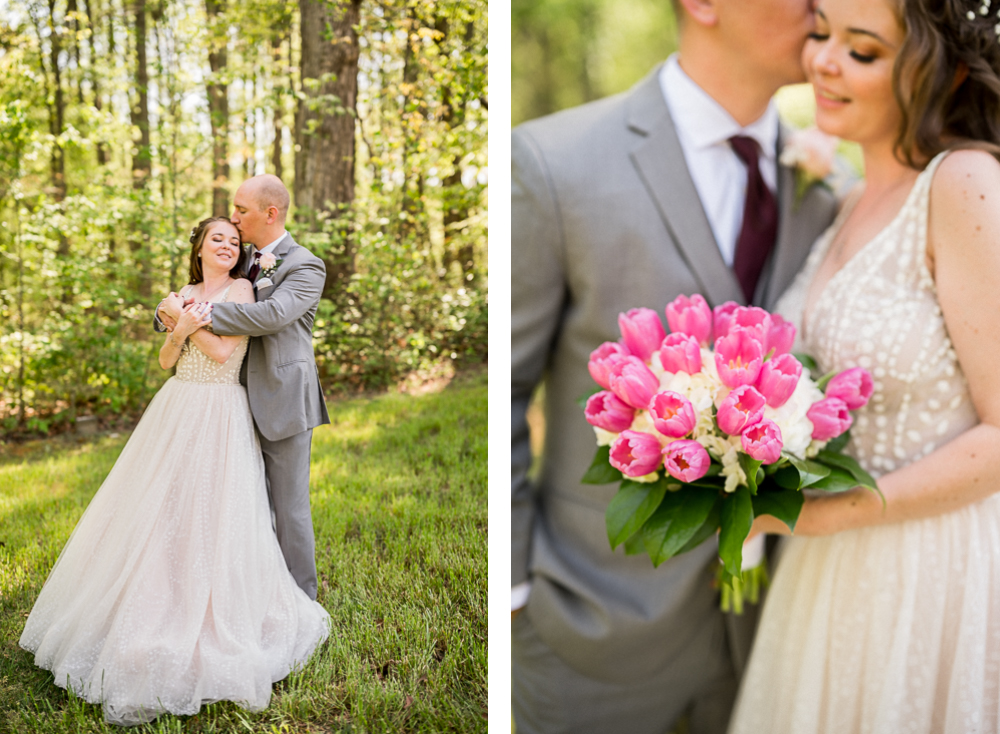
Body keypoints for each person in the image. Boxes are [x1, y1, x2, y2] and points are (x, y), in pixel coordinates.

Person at [511, 1, 839, 732]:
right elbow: (501, 391)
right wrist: (514, 598)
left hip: (774, 642)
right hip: (588, 640)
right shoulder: (554, 162)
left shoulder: (834, 188)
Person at [727, 0, 1000, 730]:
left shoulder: (966, 185)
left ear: (947, 75)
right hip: (823, 576)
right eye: (821, 33)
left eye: (863, 50)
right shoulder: (846, 199)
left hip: (929, 571)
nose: (822, 61)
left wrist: (822, 518)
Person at [19, 217, 330, 725]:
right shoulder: (182, 292)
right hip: (176, 406)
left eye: (234, 238)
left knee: (217, 509)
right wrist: (177, 326)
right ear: (200, 248)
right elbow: (166, 359)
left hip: (221, 411)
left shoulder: (244, 288)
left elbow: (225, 349)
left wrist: (185, 322)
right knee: (160, 510)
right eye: (218, 238)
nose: (228, 244)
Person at [156, 174, 330, 601]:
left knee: (288, 507)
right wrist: (172, 313)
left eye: (241, 210)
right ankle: (249, 591)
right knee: (238, 503)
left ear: (270, 214)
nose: (234, 218)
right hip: (228, 400)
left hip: (282, 397)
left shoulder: (304, 264)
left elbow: (271, 315)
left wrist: (192, 315)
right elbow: (199, 285)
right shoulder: (242, 256)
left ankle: (300, 599)